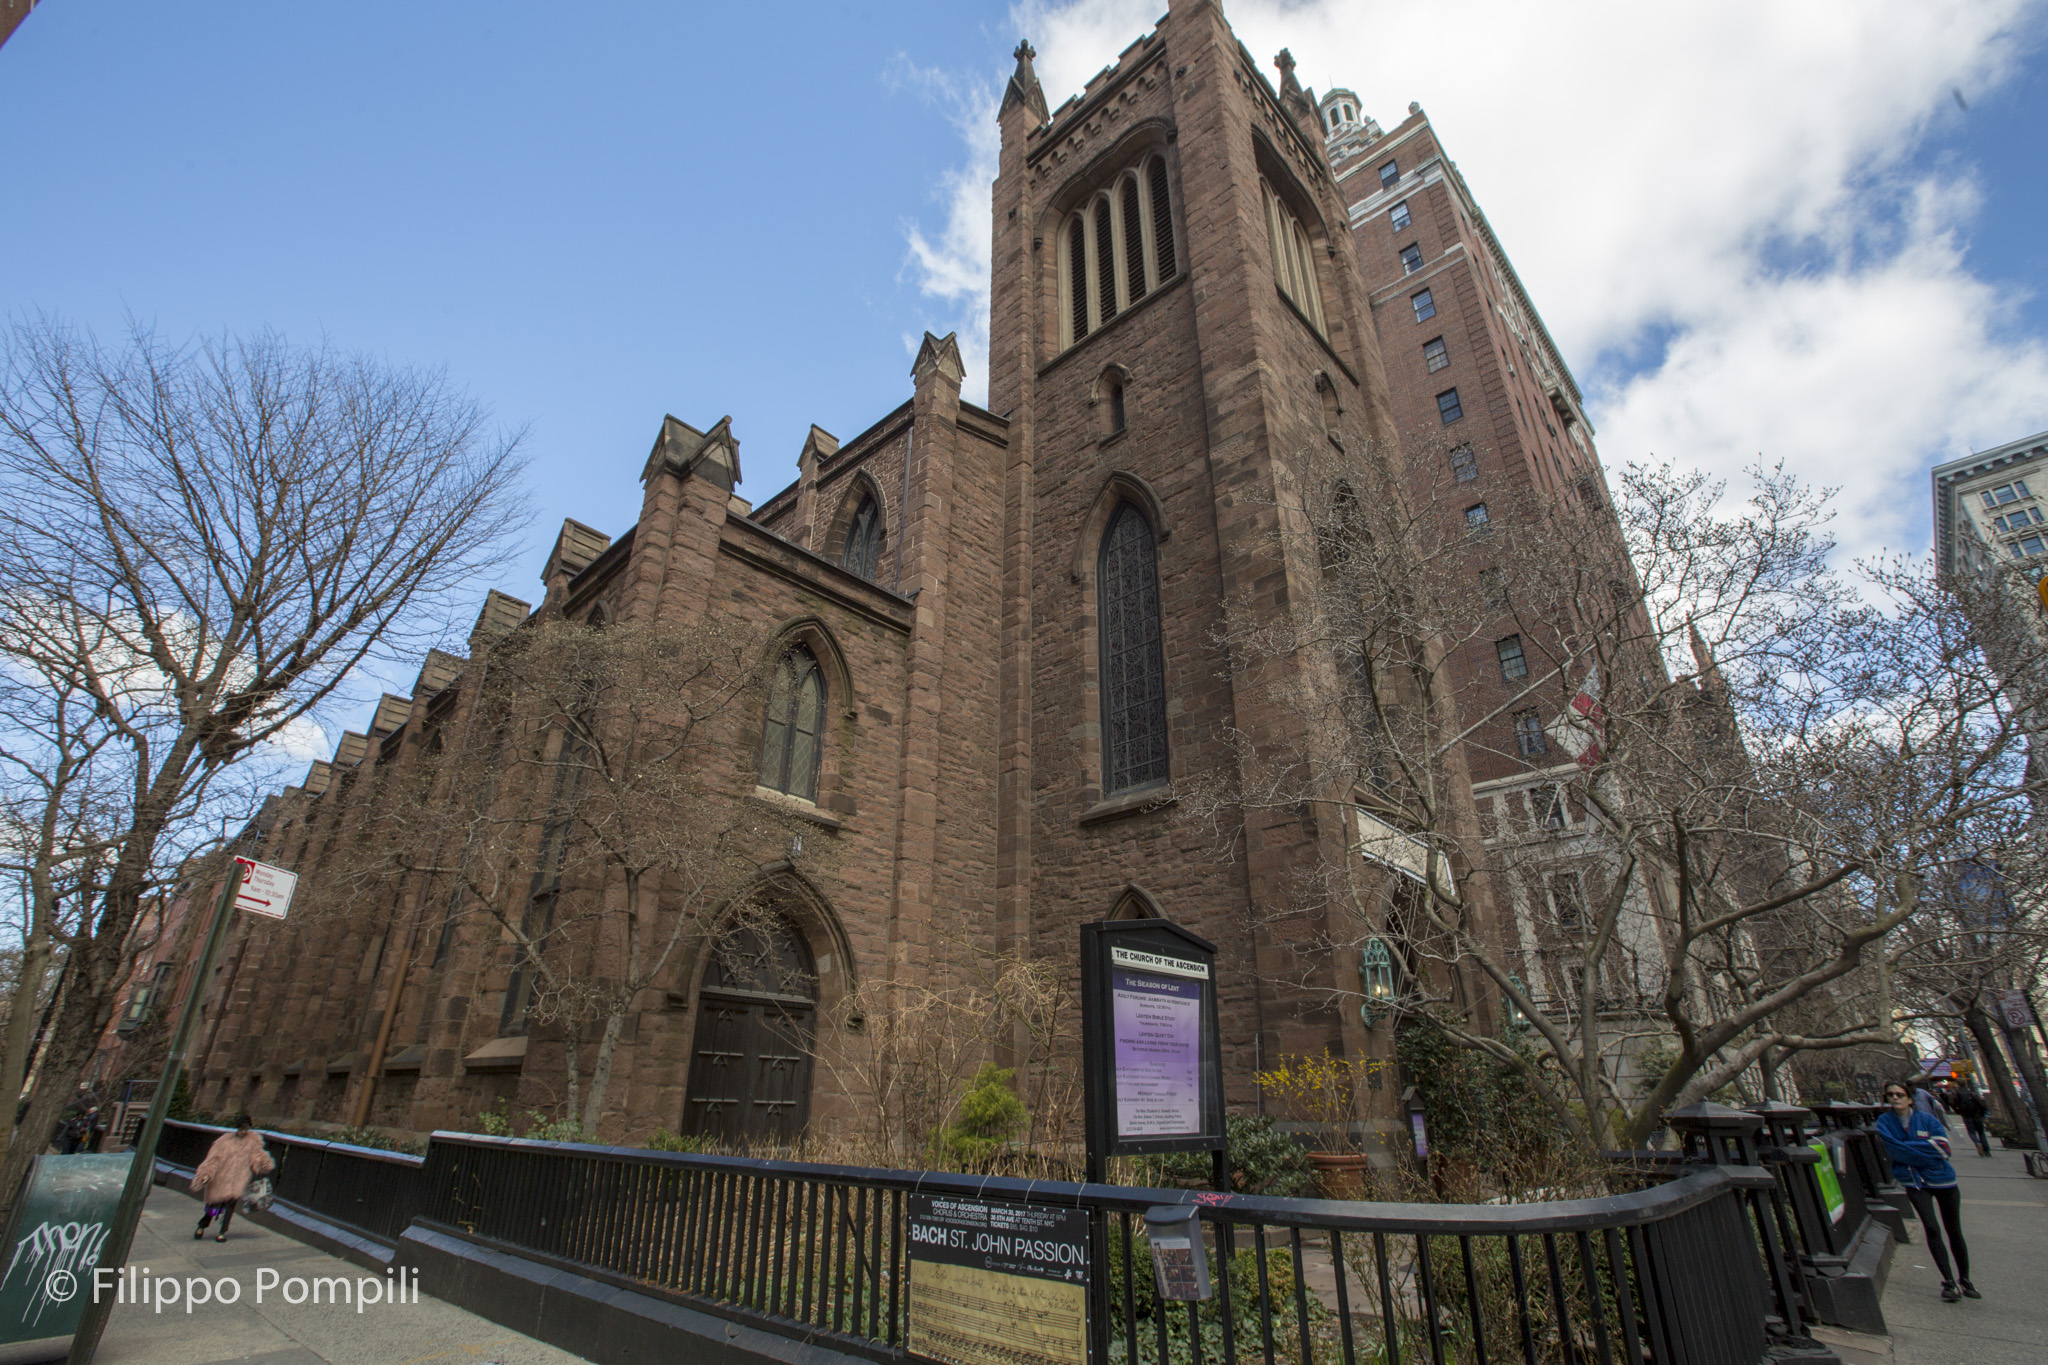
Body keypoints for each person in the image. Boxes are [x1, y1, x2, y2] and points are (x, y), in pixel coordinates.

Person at [1877, 1081, 1976, 1302]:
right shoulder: (1884, 1122)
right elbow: (1894, 1150)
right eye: (1890, 1095)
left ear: (1909, 1098)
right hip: (1914, 1182)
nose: (1895, 1098)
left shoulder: (1927, 1119)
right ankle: (1949, 1281)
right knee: (1932, 1228)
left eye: (1899, 1094)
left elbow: (1943, 1149)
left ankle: (1966, 1280)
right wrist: (1923, 1149)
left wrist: (1909, 1150)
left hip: (1943, 1180)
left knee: (1954, 1230)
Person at [189, 1114, 273, 1242]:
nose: (244, 1131)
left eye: (246, 1128)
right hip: (221, 1178)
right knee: (214, 1206)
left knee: (230, 1206)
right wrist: (206, 1174)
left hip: (239, 1179)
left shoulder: (253, 1142)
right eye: (241, 1128)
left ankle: (222, 1232)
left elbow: (257, 1157)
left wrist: (263, 1163)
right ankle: (202, 1225)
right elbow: (213, 1159)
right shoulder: (224, 1141)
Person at [1951, 1086, 1992, 1157]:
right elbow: (1982, 1105)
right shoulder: (1973, 1094)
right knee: (1981, 1133)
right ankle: (1987, 1151)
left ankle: (1977, 1143)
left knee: (1971, 1132)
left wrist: (1958, 1112)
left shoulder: (1957, 1095)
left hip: (1967, 1116)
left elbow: (1953, 1104)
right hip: (1977, 1116)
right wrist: (1982, 1113)